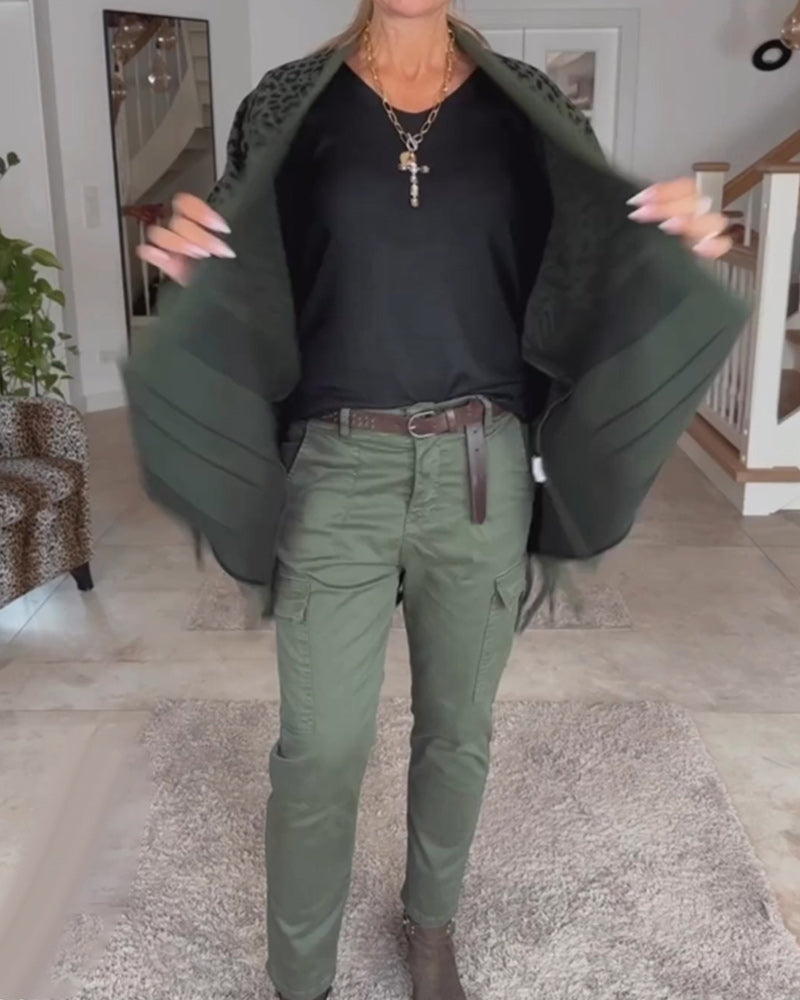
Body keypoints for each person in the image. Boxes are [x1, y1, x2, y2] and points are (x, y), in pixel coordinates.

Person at [132, 2, 739, 998]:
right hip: (336, 465)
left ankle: (429, 926)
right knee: (320, 749)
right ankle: (300, 979)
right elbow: (246, 263)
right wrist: (193, 258)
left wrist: (673, 250)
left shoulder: (528, 106)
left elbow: (586, 263)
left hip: (479, 468)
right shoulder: (290, 102)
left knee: (457, 728)